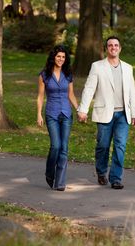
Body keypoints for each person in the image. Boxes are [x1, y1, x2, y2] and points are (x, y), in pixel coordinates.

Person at [77, 36, 135, 189]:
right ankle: (101, 172)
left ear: (120, 48)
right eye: (110, 45)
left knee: (120, 146)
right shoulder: (97, 67)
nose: (113, 47)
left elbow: (132, 91)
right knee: (103, 146)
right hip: (104, 113)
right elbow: (89, 88)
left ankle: (116, 178)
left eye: (116, 45)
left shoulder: (127, 67)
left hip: (123, 115)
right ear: (106, 48)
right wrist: (83, 110)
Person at [37, 45, 78, 191]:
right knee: (55, 146)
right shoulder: (44, 75)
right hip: (52, 114)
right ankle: (49, 172)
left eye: (63, 57)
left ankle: (60, 182)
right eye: (58, 56)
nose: (61, 59)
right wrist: (39, 114)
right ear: (53, 57)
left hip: (66, 114)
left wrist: (78, 109)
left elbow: (71, 94)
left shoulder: (68, 74)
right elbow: (41, 96)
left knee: (64, 148)